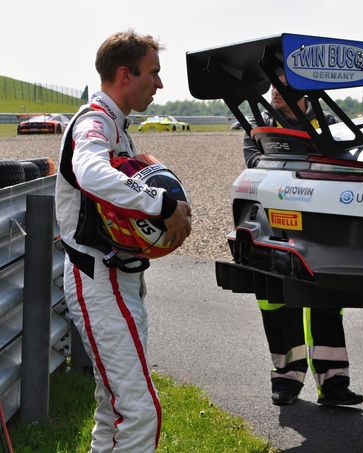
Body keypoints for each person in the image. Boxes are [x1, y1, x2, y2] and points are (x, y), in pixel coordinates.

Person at [55, 31, 192, 452]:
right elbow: (92, 174)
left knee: (112, 410)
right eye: (154, 73)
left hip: (114, 278)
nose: (160, 83)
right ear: (124, 74)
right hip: (98, 279)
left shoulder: (115, 123)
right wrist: (162, 204)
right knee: (138, 412)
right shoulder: (96, 120)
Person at [243, 73, 363, 406]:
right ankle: (286, 378)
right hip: (271, 227)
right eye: (271, 83)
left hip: (319, 228)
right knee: (275, 302)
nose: (273, 91)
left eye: (283, 84)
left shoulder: (326, 125)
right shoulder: (257, 126)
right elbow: (254, 163)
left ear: (304, 91)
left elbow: (343, 162)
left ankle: (334, 381)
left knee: (326, 301)